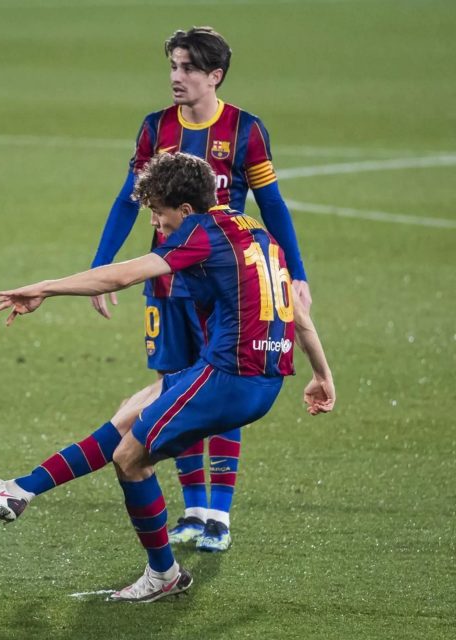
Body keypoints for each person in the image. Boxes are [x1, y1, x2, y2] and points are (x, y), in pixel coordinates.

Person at [0, 152, 334, 602]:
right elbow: (297, 309)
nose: (154, 219)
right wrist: (321, 374)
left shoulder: (201, 234)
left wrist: (44, 287)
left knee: (130, 458)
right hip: (254, 374)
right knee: (127, 416)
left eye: (158, 209)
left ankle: (164, 575)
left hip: (230, 378)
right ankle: (18, 491)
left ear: (187, 210)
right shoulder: (256, 231)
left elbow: (123, 276)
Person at [87, 27, 311, 551]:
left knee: (218, 389)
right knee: (173, 390)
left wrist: (295, 273)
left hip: (225, 289)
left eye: (187, 68)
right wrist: (102, 265)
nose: (176, 77)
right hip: (167, 287)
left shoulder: (245, 130)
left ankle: (219, 514)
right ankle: (191, 510)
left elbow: (272, 205)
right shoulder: (154, 128)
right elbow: (127, 200)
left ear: (215, 76)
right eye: (172, 66)